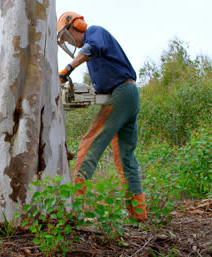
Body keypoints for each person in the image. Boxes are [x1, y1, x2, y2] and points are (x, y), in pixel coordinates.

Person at [56, 11, 147, 220]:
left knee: (89, 145)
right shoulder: (92, 55)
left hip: (122, 95)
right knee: (125, 158)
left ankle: (74, 209)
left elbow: (92, 47)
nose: (71, 43)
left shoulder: (94, 34)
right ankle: (139, 215)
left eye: (67, 37)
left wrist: (67, 69)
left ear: (76, 26)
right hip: (129, 94)